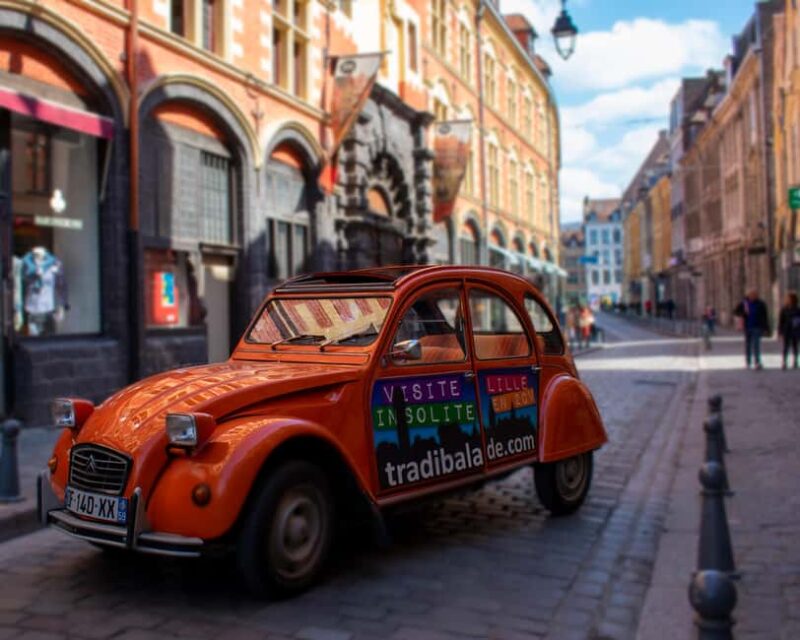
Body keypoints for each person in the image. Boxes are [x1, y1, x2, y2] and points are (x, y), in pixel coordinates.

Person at [733, 289, 770, 370]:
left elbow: (765, 316)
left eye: (754, 295)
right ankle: (748, 362)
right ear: (748, 296)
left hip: (757, 327)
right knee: (748, 345)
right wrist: (743, 312)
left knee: (756, 345)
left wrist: (766, 328)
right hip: (748, 327)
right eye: (751, 295)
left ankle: (757, 362)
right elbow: (735, 311)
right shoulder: (744, 303)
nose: (752, 296)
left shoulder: (761, 304)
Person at [777, 291, 800, 370]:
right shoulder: (784, 309)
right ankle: (784, 362)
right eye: (787, 299)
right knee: (785, 347)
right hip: (786, 330)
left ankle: (795, 361)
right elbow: (781, 321)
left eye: (789, 299)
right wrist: (780, 332)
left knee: (795, 346)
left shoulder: (797, 309)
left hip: (795, 330)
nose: (788, 300)